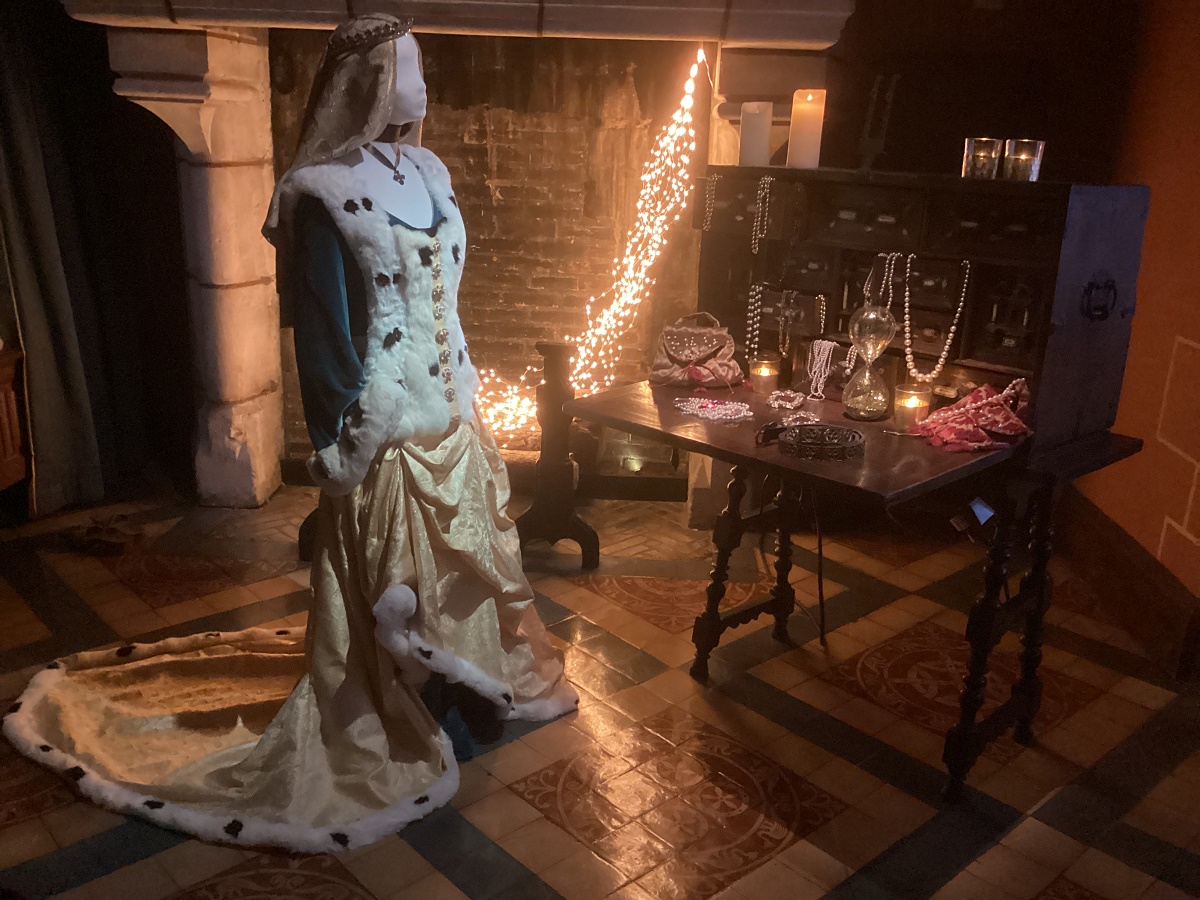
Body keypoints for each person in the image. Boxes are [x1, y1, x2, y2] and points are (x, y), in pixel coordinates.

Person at [2, 14, 575, 854]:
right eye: (404, 67)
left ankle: (449, 683)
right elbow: (326, 337)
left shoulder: (428, 168)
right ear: (368, 84)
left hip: (451, 414)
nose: (420, 81)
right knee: (391, 581)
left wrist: (465, 390)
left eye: (417, 65)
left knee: (471, 568)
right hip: (382, 435)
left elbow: (445, 301)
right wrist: (348, 436)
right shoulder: (321, 194)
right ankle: (379, 703)